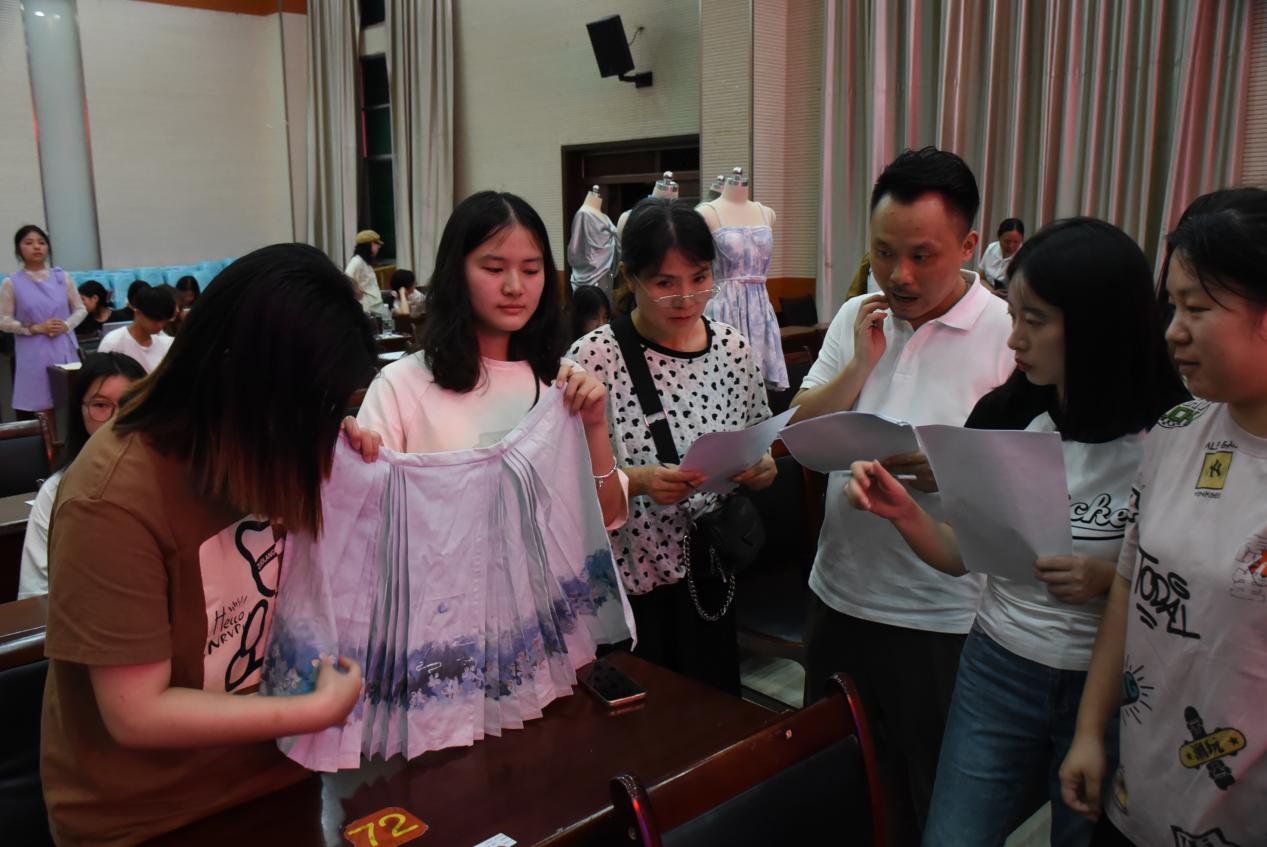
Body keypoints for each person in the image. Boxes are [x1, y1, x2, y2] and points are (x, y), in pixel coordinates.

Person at [846, 218, 1188, 847]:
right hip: (998, 664)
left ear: (1098, 326)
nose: (1016, 339)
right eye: (1014, 315)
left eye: (1036, 321)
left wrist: (1110, 577)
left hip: (1114, 686)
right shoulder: (1006, 414)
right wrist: (902, 512)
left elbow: (1195, 581)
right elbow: (962, 554)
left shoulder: (1174, 434)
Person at [41, 243, 382, 847]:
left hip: (281, 774)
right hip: (154, 817)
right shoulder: (111, 498)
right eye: (306, 408)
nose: (314, 428)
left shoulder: (269, 441)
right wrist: (313, 710)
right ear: (236, 376)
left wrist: (341, 448)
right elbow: (136, 712)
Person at [791, 147, 1013, 846]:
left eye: (922, 255)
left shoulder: (1008, 334)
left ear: (968, 246)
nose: (900, 275)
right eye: (884, 252)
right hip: (838, 593)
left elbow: (1035, 484)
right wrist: (861, 362)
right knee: (832, 785)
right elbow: (799, 433)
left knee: (927, 797)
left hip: (942, 616)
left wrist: (950, 471)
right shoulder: (859, 314)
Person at [1059, 188, 1267, 847]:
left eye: (1196, 308)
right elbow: (1129, 584)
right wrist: (1089, 730)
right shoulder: (1175, 430)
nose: (1172, 330)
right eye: (1170, 306)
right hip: (1138, 791)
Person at [567, 198, 777, 695]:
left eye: (700, 278)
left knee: (713, 709)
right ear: (629, 278)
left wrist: (763, 469)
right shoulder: (594, 357)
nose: (686, 298)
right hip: (628, 586)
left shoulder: (732, 349)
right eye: (665, 283)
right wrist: (637, 482)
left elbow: (760, 438)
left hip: (711, 570)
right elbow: (562, 486)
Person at [356, 191, 626, 530]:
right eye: (494, 269)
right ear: (456, 272)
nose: (515, 287)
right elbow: (365, 520)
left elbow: (605, 517)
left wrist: (595, 427)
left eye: (531, 270)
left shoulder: (566, 382)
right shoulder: (401, 386)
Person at [17, 351, 147, 599]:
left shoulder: (168, 481)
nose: (115, 420)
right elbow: (36, 592)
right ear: (80, 411)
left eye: (129, 404)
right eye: (100, 405)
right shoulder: (57, 490)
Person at [0, 225, 85, 415]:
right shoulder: (11, 283)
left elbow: (80, 309)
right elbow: (3, 321)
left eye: (41, 242)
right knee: (41, 407)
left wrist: (66, 325)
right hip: (32, 351)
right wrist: (34, 328)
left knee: (71, 404)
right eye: (29, 243)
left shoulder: (62, 277)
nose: (36, 247)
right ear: (19, 249)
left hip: (62, 347)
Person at [97, 283, 177, 372]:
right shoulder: (113, 343)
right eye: (155, 320)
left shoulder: (166, 343)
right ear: (138, 313)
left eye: (164, 321)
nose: (160, 325)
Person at [346, 229, 387, 320]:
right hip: (367, 309)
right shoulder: (356, 261)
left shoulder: (366, 262)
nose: (378, 247)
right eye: (376, 244)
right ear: (370, 244)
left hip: (375, 307)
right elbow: (347, 277)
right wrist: (356, 288)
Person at [980, 218, 1025, 291]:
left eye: (1016, 242)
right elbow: (982, 278)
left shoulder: (1025, 256)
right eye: (1007, 241)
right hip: (988, 291)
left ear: (1022, 239)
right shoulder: (991, 248)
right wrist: (992, 292)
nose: (1011, 246)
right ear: (999, 237)